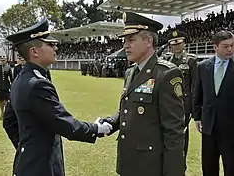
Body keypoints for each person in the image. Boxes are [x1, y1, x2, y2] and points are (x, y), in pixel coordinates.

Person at [3, 17, 112, 176]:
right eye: (50, 44)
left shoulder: (21, 78)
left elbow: (8, 122)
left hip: (27, 164)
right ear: (34, 51)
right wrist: (96, 129)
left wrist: (27, 148)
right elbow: (65, 124)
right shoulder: (37, 84)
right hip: (42, 168)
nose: (56, 47)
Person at [99, 12, 185, 176]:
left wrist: (174, 171)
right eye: (124, 41)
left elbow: (174, 131)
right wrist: (110, 122)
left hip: (150, 166)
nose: (125, 45)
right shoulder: (131, 72)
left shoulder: (166, 74)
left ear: (148, 41)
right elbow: (128, 109)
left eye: (131, 40)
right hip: (128, 161)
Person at [193, 30, 234, 176]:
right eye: (225, 46)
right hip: (208, 126)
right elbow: (198, 94)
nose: (230, 49)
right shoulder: (203, 66)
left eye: (232, 45)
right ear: (215, 47)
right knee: (209, 166)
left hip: (231, 129)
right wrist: (197, 117)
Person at [165, 30, 198, 175]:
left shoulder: (191, 60)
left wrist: (193, 109)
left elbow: (195, 86)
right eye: (173, 44)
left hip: (184, 106)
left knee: (181, 137)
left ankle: (180, 168)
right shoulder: (166, 61)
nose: (176, 46)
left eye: (179, 43)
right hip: (167, 104)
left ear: (184, 43)